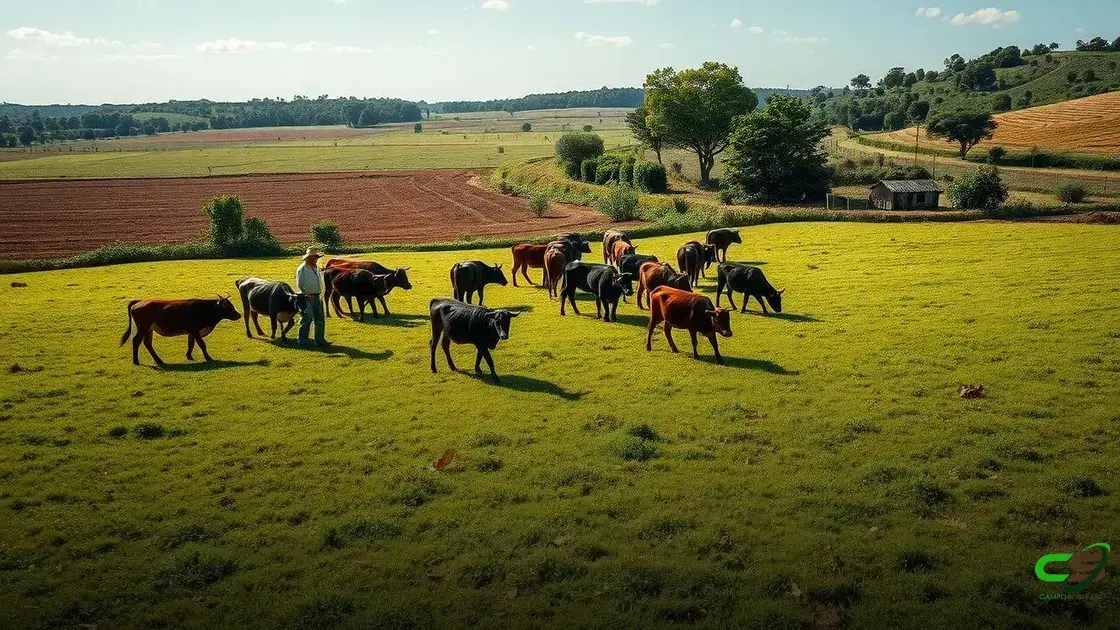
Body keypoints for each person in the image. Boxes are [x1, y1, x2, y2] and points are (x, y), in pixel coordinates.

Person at [295, 247, 330, 347]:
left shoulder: (316, 267)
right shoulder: (302, 269)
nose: (317, 259)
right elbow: (300, 284)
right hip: (307, 297)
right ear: (309, 258)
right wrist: (307, 294)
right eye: (315, 257)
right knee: (307, 319)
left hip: (317, 296)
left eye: (317, 257)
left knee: (320, 319)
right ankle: (302, 340)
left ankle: (319, 340)